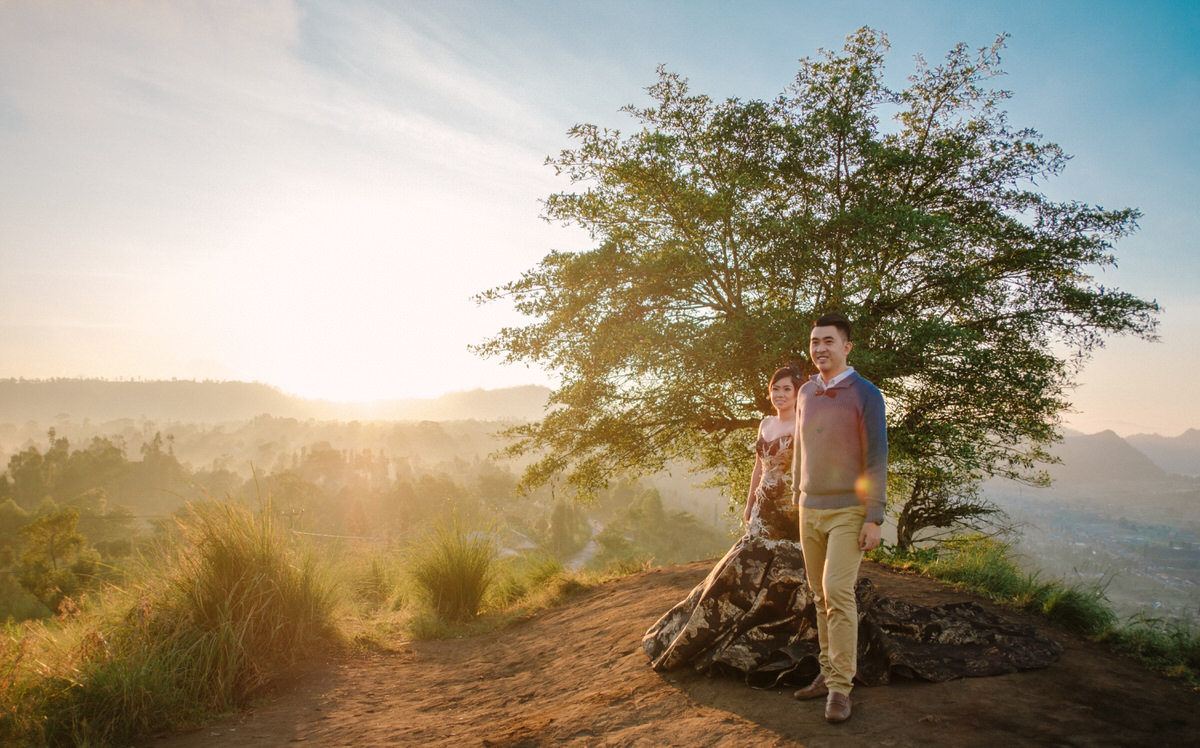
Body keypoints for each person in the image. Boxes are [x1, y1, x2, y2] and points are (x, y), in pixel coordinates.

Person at [642, 361, 1062, 700]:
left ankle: (823, 659)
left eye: (786, 388)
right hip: (769, 505)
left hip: (802, 505)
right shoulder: (765, 426)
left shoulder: (816, 417)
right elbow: (759, 466)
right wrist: (751, 500)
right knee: (749, 562)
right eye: (775, 388)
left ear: (798, 390)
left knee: (811, 579)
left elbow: (835, 458)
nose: (780, 394)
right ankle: (744, 626)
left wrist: (853, 509)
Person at [790, 312, 886, 723]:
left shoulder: (867, 394)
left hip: (849, 509)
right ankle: (827, 674)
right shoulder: (806, 393)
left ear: (847, 346)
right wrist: (797, 494)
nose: (820, 349)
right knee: (817, 594)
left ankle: (841, 689)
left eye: (828, 341)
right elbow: (800, 448)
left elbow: (877, 457)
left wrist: (874, 517)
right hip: (809, 509)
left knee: (836, 590)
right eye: (814, 342)